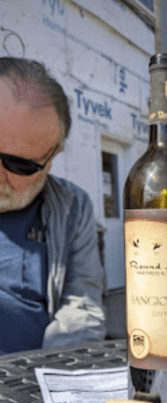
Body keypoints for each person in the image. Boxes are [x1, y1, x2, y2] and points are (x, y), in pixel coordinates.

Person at [0, 57, 106, 353]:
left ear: (53, 157)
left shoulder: (72, 207)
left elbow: (81, 305)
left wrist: (55, 376)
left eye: (18, 164)